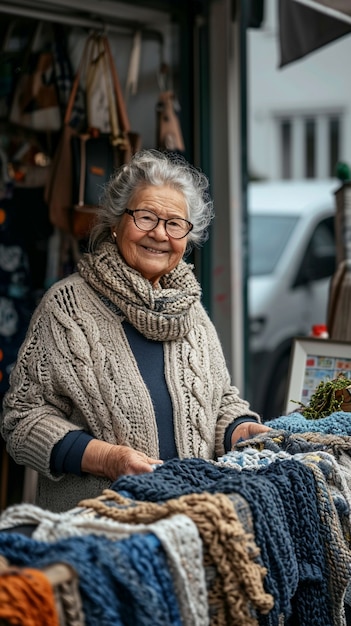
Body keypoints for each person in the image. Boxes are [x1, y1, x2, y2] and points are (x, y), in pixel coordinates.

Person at [1, 149, 270, 512]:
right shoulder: (66, 307)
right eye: (146, 217)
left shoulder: (191, 311)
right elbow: (21, 420)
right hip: (96, 531)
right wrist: (108, 459)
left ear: (187, 239)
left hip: (190, 525)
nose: (159, 233)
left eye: (175, 223)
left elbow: (221, 403)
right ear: (116, 222)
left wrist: (240, 431)